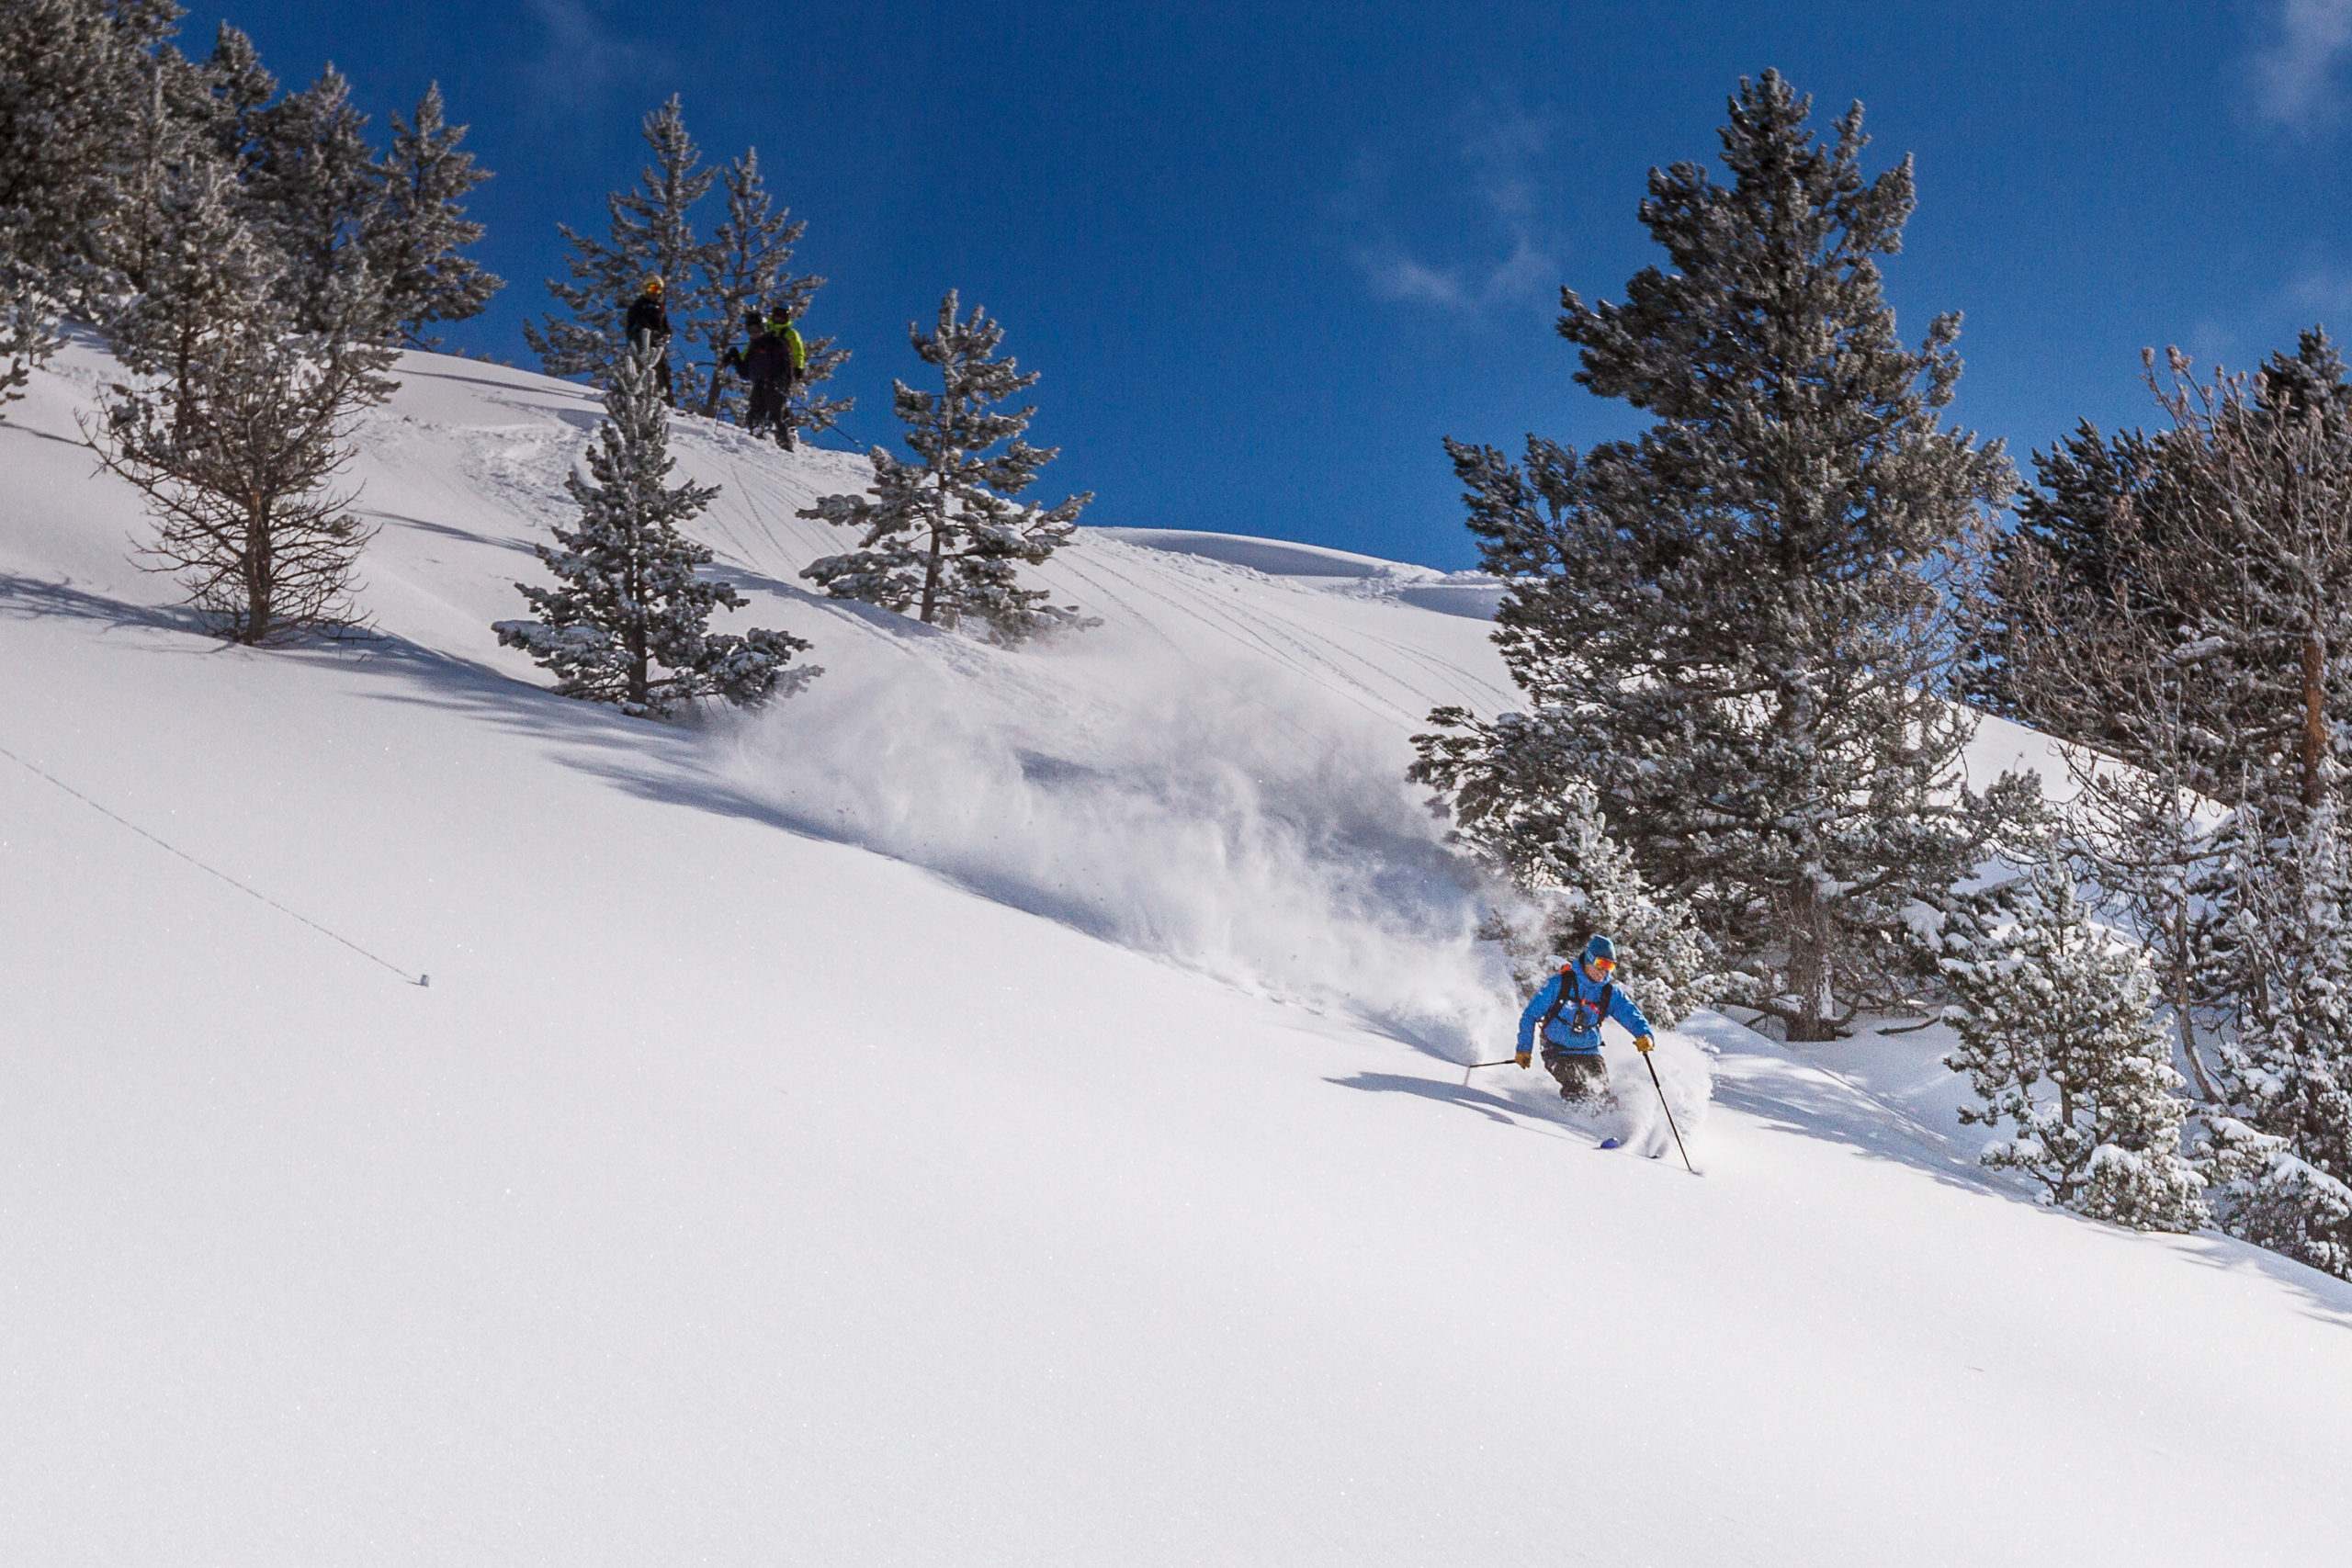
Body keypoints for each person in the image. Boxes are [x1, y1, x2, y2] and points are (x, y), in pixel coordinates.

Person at [1514, 933, 1657, 1105]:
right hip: (1556, 1050)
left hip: (1589, 1051)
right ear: (1589, 959)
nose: (1604, 971)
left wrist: (1645, 1035)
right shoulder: (1559, 984)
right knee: (1575, 1084)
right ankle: (1571, 1122)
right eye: (1601, 964)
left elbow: (1631, 1014)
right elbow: (1530, 1015)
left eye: (1610, 966)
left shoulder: (1609, 993)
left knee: (1600, 1091)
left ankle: (1604, 1123)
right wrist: (1524, 1049)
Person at [724, 308, 807, 446]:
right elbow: (746, 371)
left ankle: (785, 442)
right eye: (749, 330)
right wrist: (734, 357)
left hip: (776, 382)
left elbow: (790, 359)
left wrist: (797, 368)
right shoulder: (753, 345)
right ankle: (758, 441)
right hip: (760, 381)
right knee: (754, 414)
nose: (753, 333)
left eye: (756, 329)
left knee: (775, 414)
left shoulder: (779, 340)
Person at [623, 275, 674, 406]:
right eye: (651, 288)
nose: (654, 292)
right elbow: (636, 325)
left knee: (664, 374)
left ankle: (667, 403)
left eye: (657, 289)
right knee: (641, 373)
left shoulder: (659, 308)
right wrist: (646, 334)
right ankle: (636, 401)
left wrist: (666, 335)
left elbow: (666, 326)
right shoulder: (638, 307)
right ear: (645, 289)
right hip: (641, 346)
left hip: (657, 348)